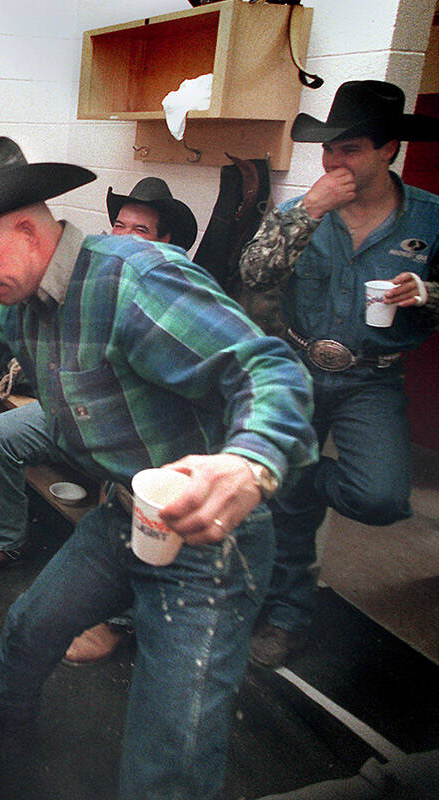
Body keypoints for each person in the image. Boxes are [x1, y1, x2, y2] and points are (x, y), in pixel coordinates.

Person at [0, 136, 317, 800]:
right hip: (125, 513)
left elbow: (270, 367)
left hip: (210, 541)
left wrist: (251, 462)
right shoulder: (21, 299)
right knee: (27, 632)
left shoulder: (134, 280)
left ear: (28, 230)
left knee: (169, 746)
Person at [239, 80, 439, 668]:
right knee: (287, 518)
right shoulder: (306, 209)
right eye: (328, 149)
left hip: (370, 378)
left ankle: (295, 481)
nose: (333, 161)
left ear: (389, 150)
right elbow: (253, 272)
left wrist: (427, 294)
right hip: (297, 365)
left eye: (349, 149)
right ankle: (285, 618)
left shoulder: (430, 217)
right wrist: (307, 210)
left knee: (378, 496)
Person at [0, 176, 199, 667]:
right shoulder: (87, 272)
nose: (125, 235)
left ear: (165, 241)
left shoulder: (164, 287)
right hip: (70, 408)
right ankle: (5, 540)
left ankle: (118, 620)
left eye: (142, 229)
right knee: (0, 434)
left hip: (135, 437)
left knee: (134, 487)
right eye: (120, 223)